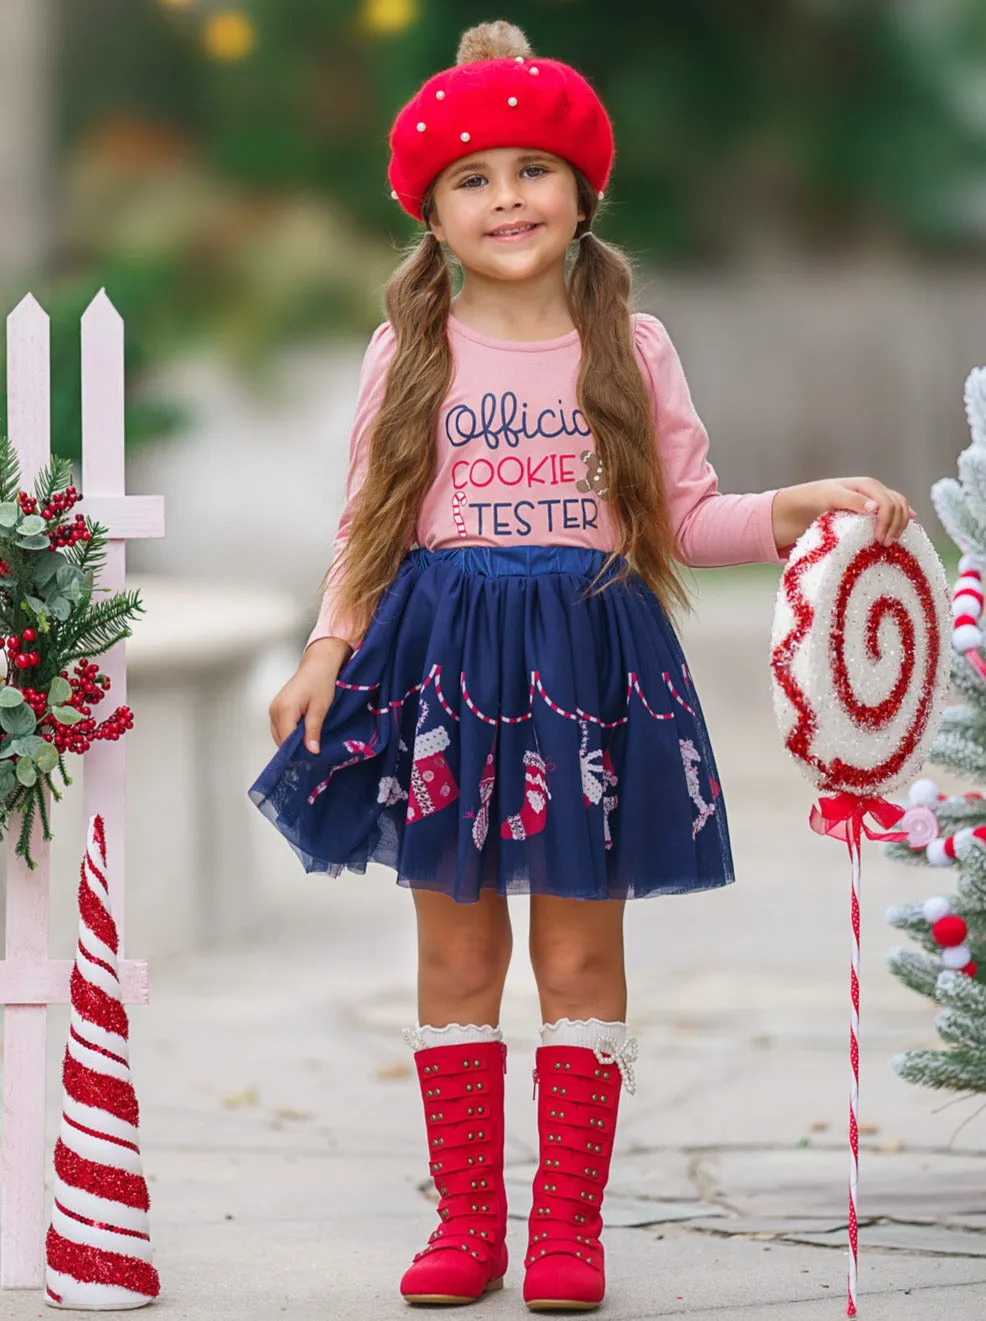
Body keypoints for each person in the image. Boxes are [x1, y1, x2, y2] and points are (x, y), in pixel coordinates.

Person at [251, 19, 914, 1313]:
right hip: (439, 667)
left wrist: (792, 510)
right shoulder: (412, 350)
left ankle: (564, 1230)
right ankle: (468, 1224)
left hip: (585, 669)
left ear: (580, 188)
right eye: (471, 179)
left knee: (578, 956)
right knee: (452, 957)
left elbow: (683, 516)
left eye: (530, 170)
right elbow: (367, 524)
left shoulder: (631, 345)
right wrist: (330, 645)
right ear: (429, 214)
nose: (506, 199)